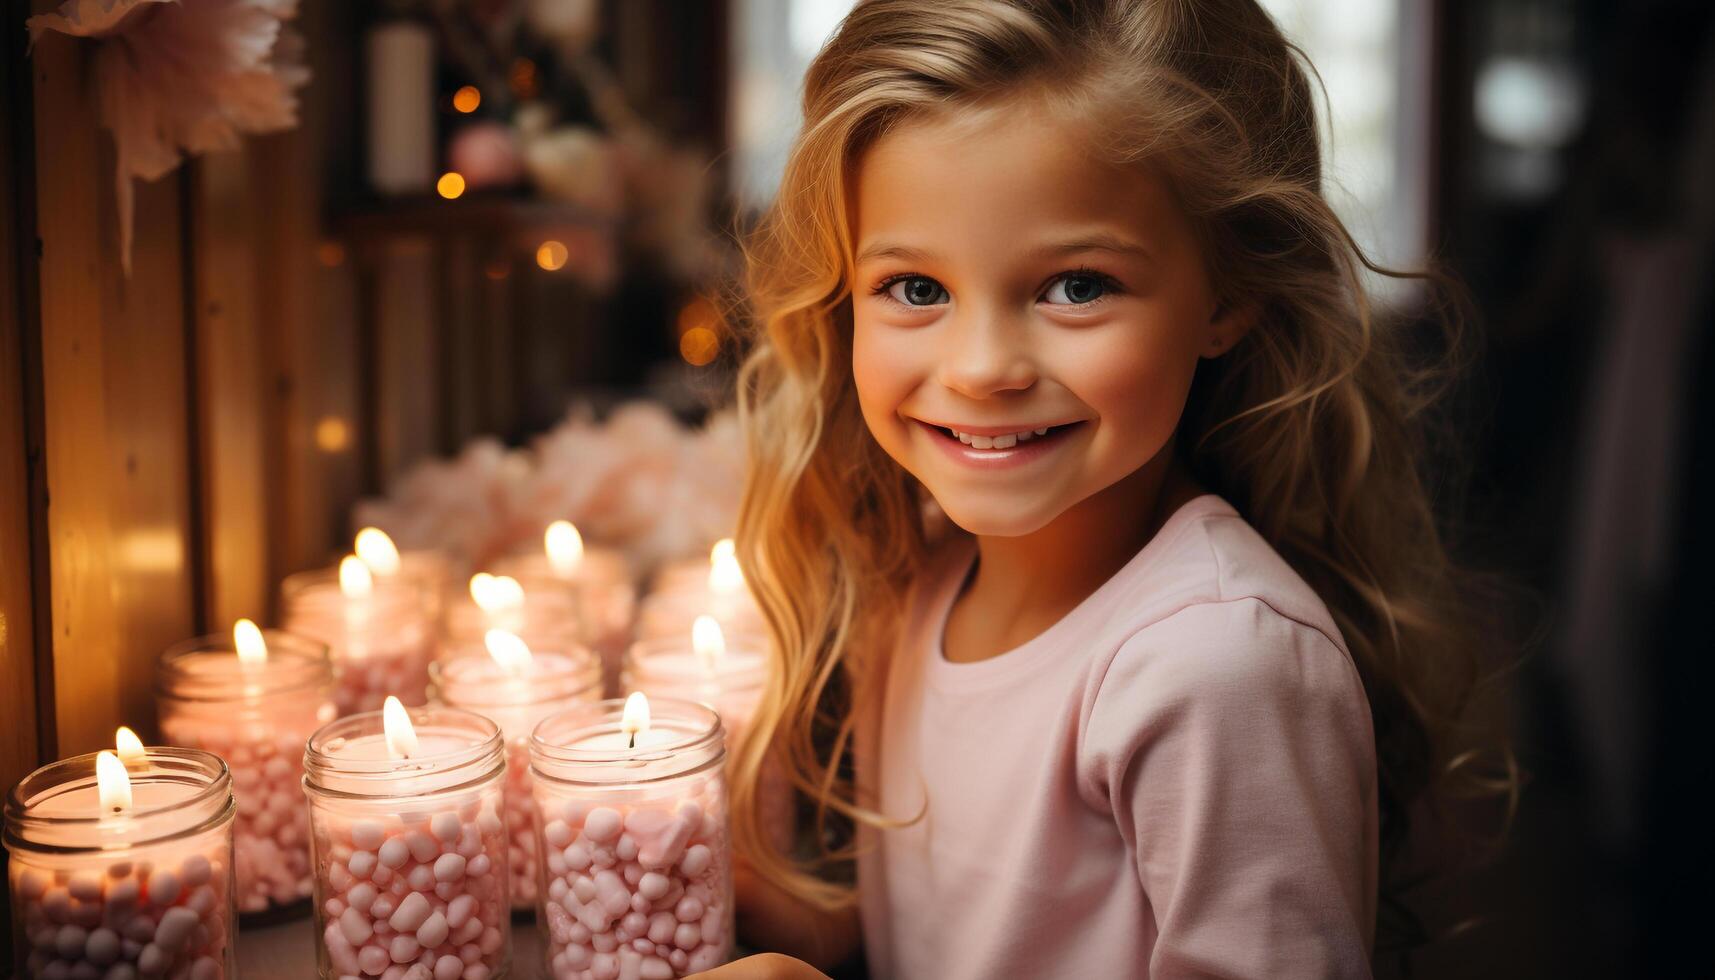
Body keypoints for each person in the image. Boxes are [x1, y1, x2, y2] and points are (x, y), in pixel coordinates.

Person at [700, 1, 1492, 976]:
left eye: (1074, 285)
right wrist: (771, 903)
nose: (981, 366)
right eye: (914, 289)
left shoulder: (1210, 664)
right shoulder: (919, 584)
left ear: (1227, 292)